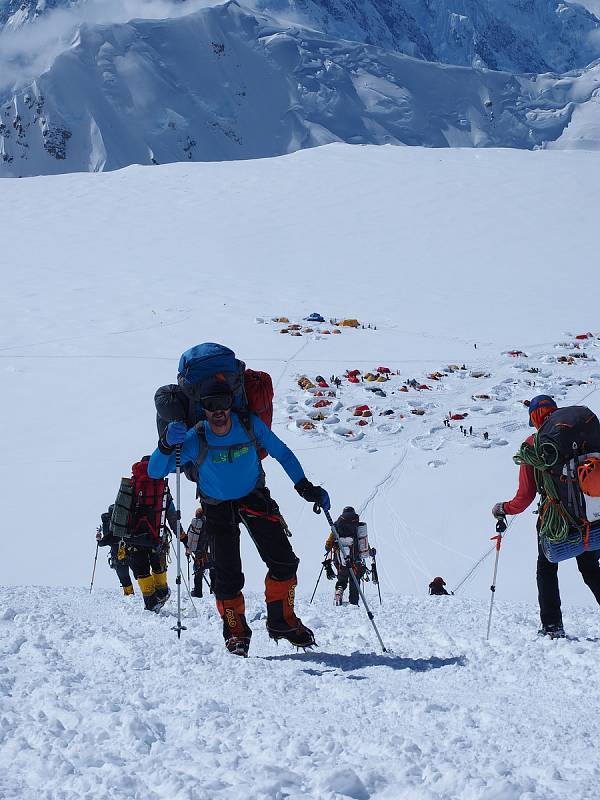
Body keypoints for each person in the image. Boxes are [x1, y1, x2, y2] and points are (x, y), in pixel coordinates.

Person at [148, 377, 329, 656]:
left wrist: (304, 486)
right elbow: (155, 472)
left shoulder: (248, 424)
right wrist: (164, 444)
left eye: (223, 402)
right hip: (217, 506)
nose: (218, 410)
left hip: (253, 496)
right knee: (226, 575)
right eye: (210, 405)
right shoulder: (197, 437)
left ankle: (282, 622)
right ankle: (235, 632)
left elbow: (281, 452)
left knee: (284, 562)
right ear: (203, 407)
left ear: (231, 402)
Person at [492, 395, 600, 638]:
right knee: (591, 568)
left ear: (534, 417)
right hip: (593, 519)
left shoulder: (535, 444)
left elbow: (525, 497)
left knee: (547, 569)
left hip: (557, 522)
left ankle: (552, 626)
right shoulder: (586, 437)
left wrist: (503, 508)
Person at [324, 507, 368, 606]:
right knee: (354, 581)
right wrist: (370, 551)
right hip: (355, 561)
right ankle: (353, 602)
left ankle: (339, 591)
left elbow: (328, 545)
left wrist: (328, 548)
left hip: (340, 561)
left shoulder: (336, 526)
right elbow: (363, 541)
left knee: (342, 579)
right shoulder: (357, 526)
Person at [96, 504, 135, 596]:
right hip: (132, 553)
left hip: (117, 557)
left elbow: (101, 543)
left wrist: (98, 538)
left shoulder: (111, 530)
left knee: (124, 578)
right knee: (141, 574)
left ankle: (129, 595)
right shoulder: (127, 525)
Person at [182, 506, 214, 598]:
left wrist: (188, 551)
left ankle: (197, 592)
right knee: (213, 570)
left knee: (198, 572)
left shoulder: (195, 524)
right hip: (210, 552)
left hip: (198, 553)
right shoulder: (211, 523)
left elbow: (189, 538)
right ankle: (214, 590)